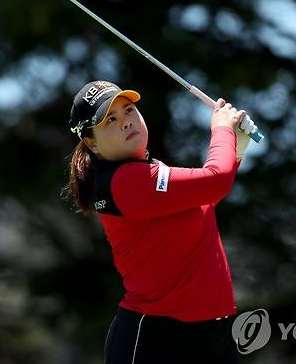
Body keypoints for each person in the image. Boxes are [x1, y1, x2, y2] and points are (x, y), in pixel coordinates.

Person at [62, 80, 255, 364]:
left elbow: (201, 202)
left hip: (213, 333)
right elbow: (216, 180)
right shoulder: (126, 182)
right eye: (110, 120)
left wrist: (235, 152)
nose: (126, 122)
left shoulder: (149, 171)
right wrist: (223, 130)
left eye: (128, 110)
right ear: (91, 143)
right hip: (158, 338)